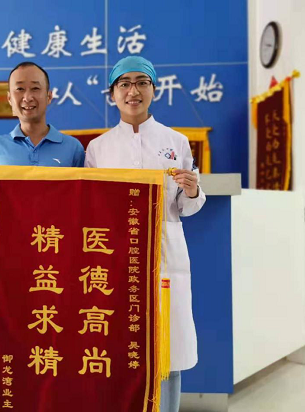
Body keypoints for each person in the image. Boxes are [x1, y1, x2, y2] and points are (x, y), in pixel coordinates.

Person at [84, 56, 206, 412]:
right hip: (114, 259)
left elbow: (184, 207)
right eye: (123, 84)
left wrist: (192, 190)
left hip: (165, 256)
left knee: (168, 348)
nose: (132, 91)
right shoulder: (98, 148)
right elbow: (91, 208)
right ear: (112, 94)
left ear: (154, 89)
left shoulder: (176, 142)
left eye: (141, 82)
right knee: (118, 345)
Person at [0, 62, 85, 213]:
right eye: (20, 89)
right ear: (9, 98)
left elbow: (83, 202)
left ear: (49, 96)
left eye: (35, 88)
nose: (28, 97)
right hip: (8, 229)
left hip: (56, 229)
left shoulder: (73, 147)